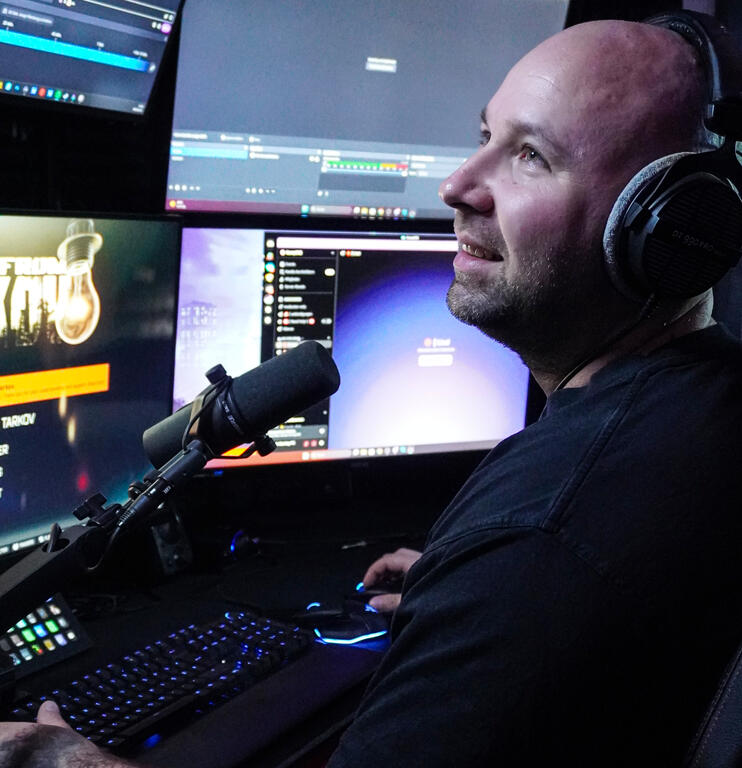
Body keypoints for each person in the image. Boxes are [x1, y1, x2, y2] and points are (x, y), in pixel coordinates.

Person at [1, 15, 741, 768]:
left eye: (531, 156)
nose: (457, 185)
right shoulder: (704, 409)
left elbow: (557, 563)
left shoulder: (537, 538)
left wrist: (61, 760)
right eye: (484, 135)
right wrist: (460, 593)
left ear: (669, 228)